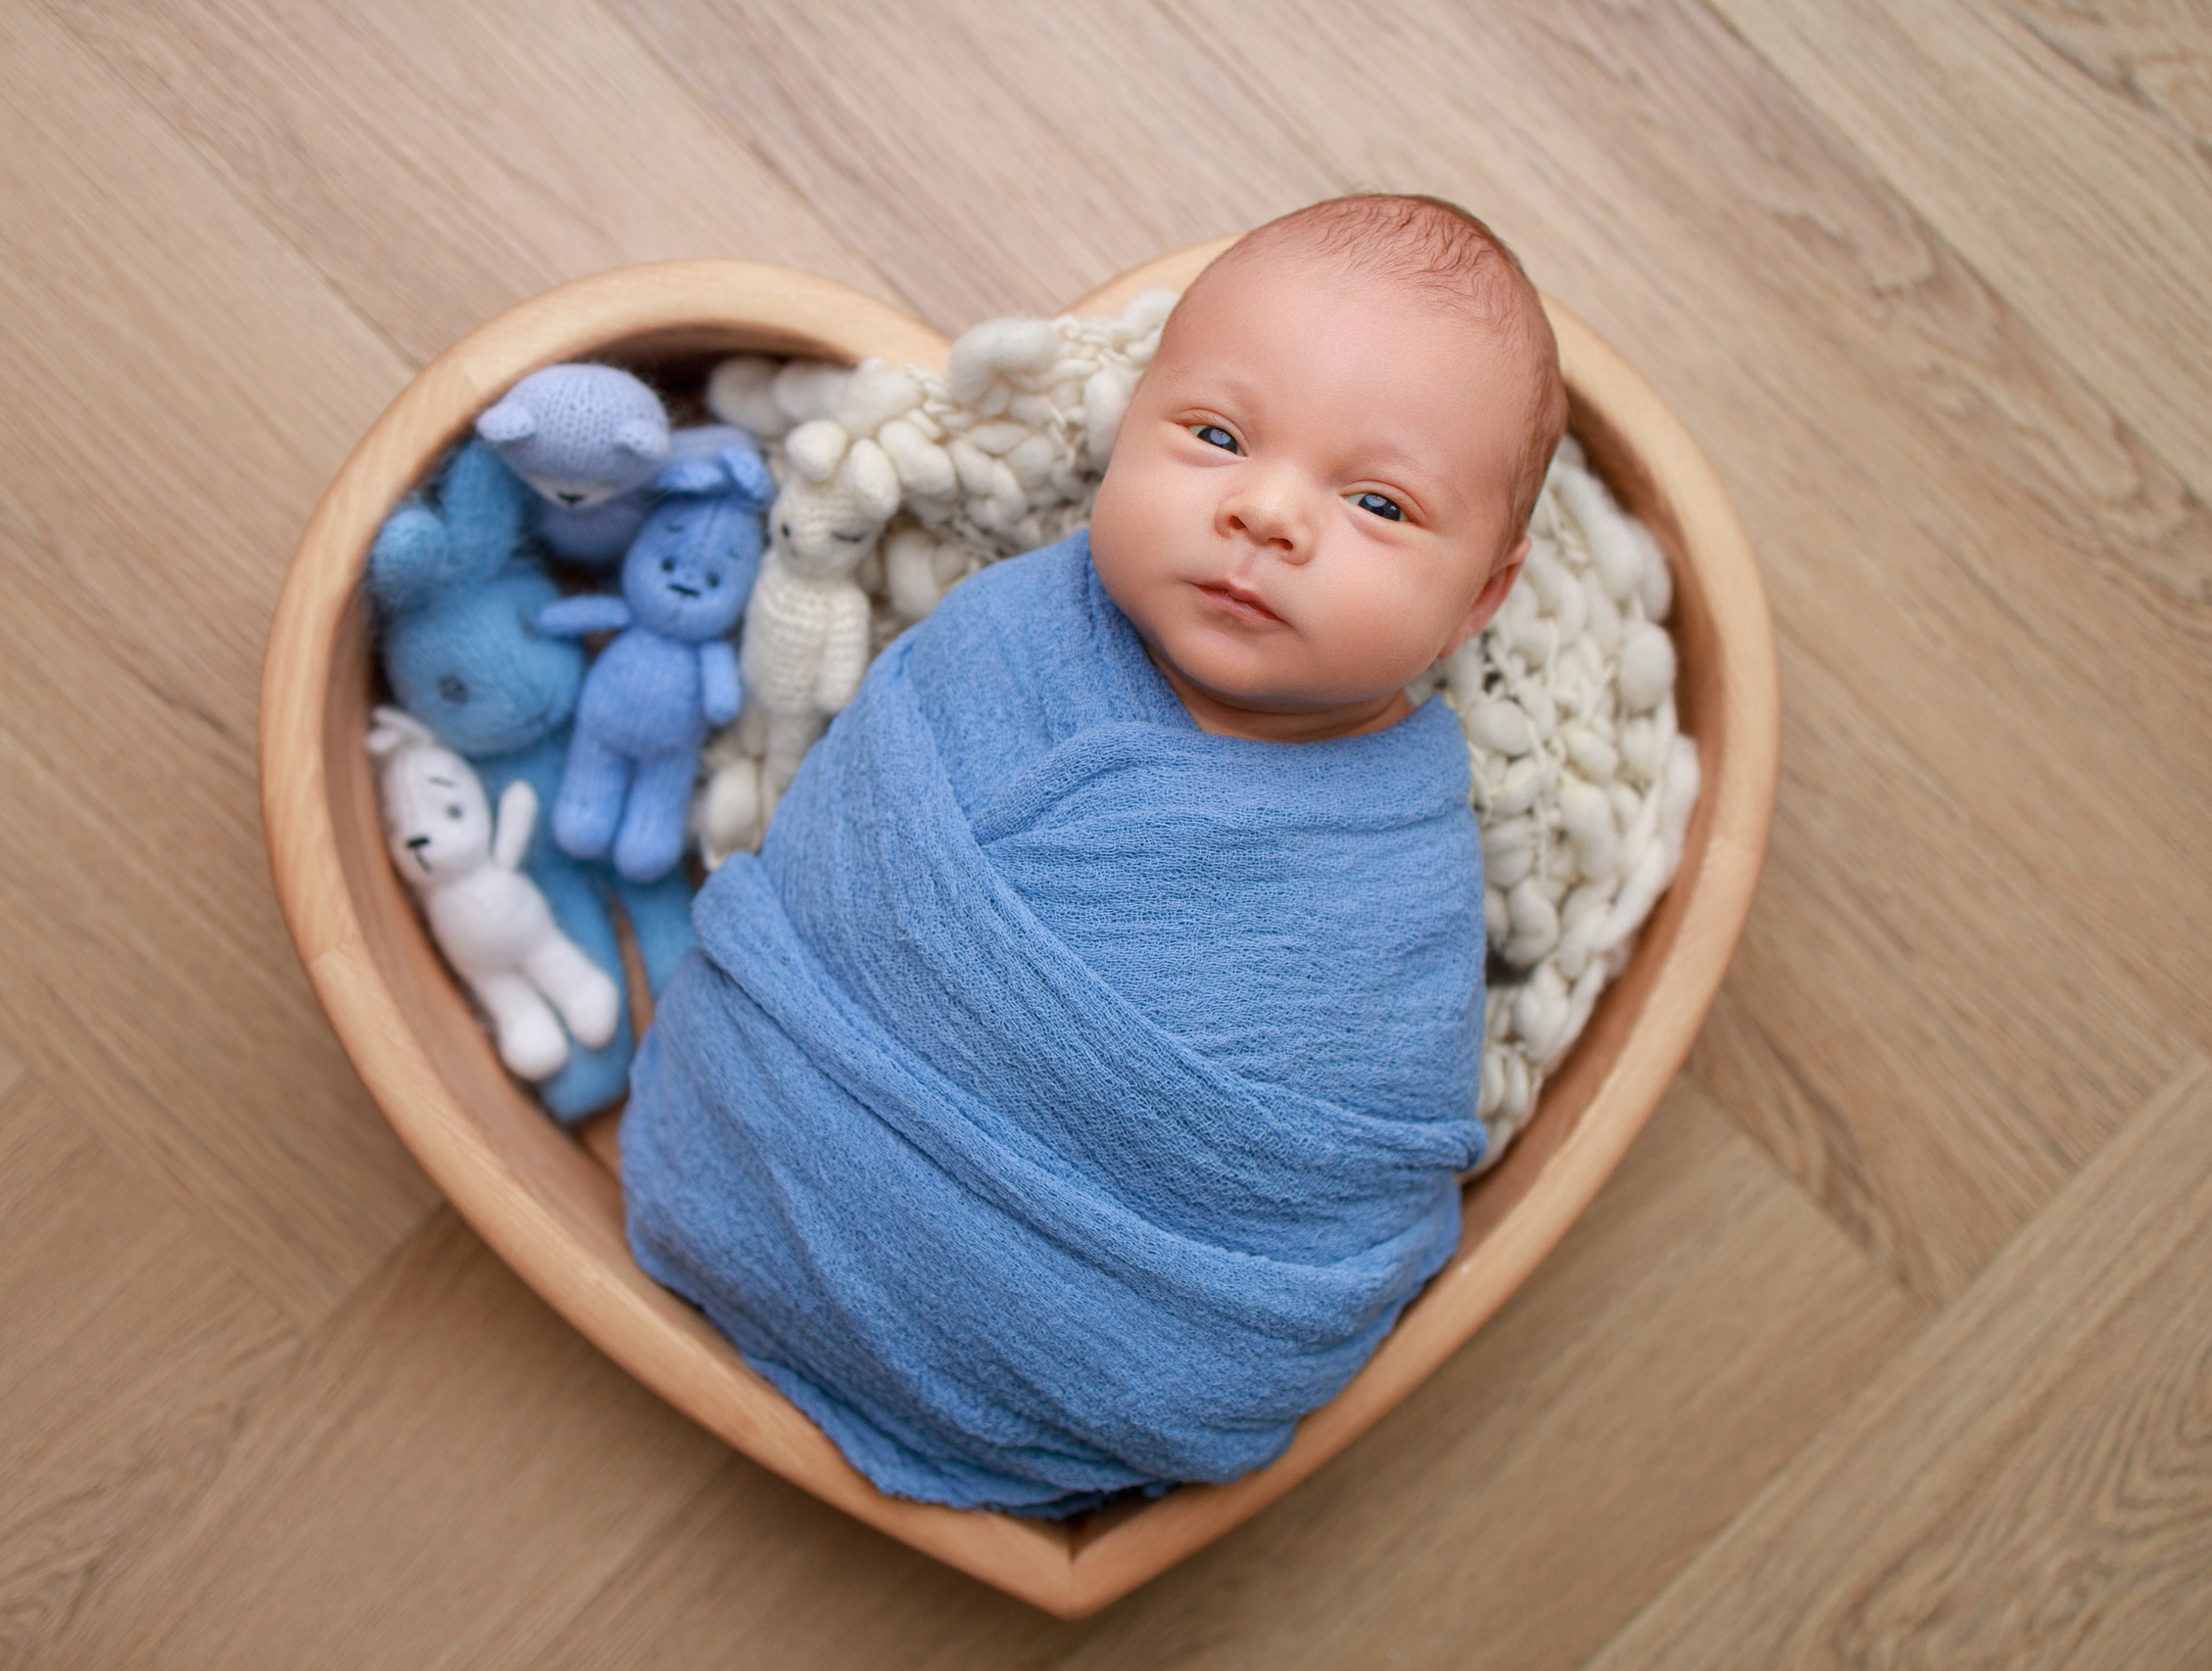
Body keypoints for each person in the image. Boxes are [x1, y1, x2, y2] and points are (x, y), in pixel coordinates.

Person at [621, 195, 1570, 1515]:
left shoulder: (1402, 863)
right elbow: (849, 852)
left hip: (1145, 1335)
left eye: (1377, 501)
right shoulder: (1011, 636)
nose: (1268, 512)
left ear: (1481, 594)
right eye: (1218, 435)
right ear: (1130, 431)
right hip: (778, 1129)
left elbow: (1366, 1126)